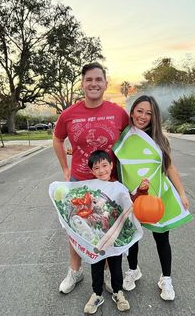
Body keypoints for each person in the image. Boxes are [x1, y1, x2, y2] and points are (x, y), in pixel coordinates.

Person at [53, 62, 129, 294]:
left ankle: (107, 273)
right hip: (80, 183)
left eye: (98, 79)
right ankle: (75, 272)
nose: (94, 83)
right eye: (89, 80)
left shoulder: (118, 113)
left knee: (107, 231)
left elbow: (130, 141)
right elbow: (57, 140)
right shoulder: (68, 114)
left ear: (106, 84)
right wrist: (66, 170)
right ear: (82, 84)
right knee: (75, 229)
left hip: (110, 184)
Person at [116, 95, 190, 301]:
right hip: (132, 194)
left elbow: (169, 167)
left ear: (154, 116)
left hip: (158, 195)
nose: (143, 116)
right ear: (132, 112)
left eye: (149, 113)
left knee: (162, 238)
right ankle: (133, 270)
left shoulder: (159, 139)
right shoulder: (123, 138)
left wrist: (182, 193)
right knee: (132, 237)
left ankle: (166, 278)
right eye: (139, 111)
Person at [84, 150, 130, 314]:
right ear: (92, 171)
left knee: (116, 264)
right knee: (95, 264)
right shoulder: (90, 187)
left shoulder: (119, 187)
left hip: (114, 235)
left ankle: (118, 292)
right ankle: (97, 293)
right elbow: (86, 208)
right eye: (97, 168)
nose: (101, 170)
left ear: (111, 165)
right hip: (95, 236)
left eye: (105, 165)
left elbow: (128, 207)